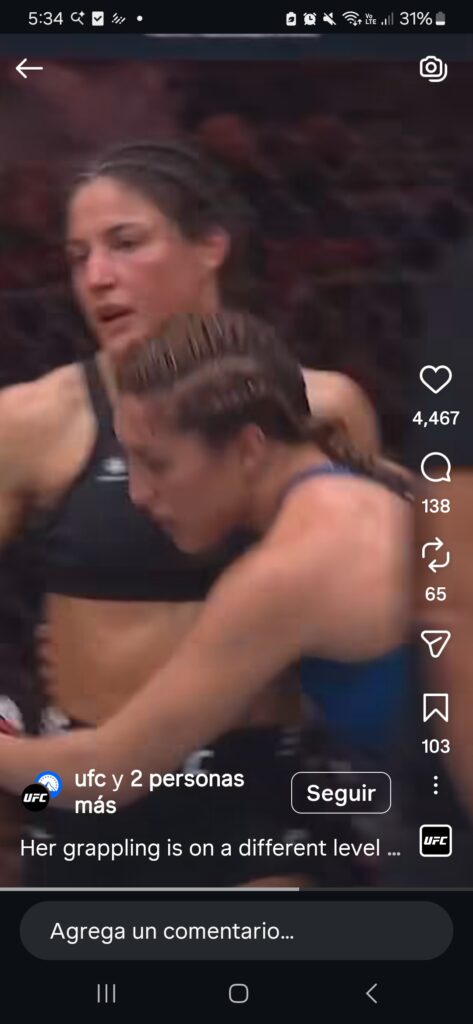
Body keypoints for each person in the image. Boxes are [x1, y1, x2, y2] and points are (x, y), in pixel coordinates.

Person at [0, 140, 381, 887]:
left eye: (125, 243)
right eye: (77, 257)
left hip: (262, 788)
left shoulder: (323, 413)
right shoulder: (32, 420)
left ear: (209, 246)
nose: (97, 277)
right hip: (75, 781)